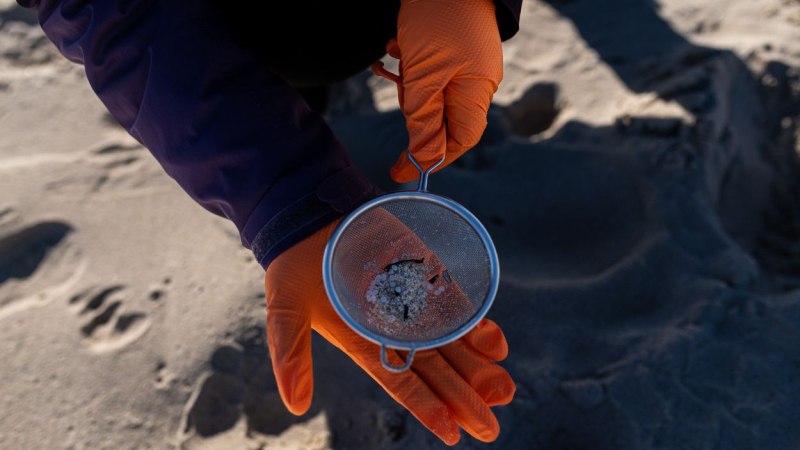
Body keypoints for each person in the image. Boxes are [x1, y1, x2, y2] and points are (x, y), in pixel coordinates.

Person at [17, 0, 521, 444]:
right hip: (229, 28)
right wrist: (285, 190)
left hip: (369, 24)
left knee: (315, 64)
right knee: (280, 78)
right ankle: (299, 102)